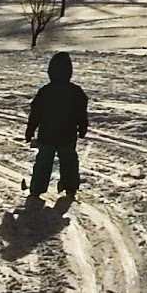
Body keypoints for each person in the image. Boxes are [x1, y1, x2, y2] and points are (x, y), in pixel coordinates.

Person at [26, 50, 89, 200]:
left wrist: (30, 128)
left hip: (47, 134)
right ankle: (70, 187)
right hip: (67, 134)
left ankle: (36, 189)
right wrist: (82, 125)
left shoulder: (45, 91)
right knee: (69, 162)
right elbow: (81, 110)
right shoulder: (75, 91)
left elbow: (36, 112)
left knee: (43, 162)